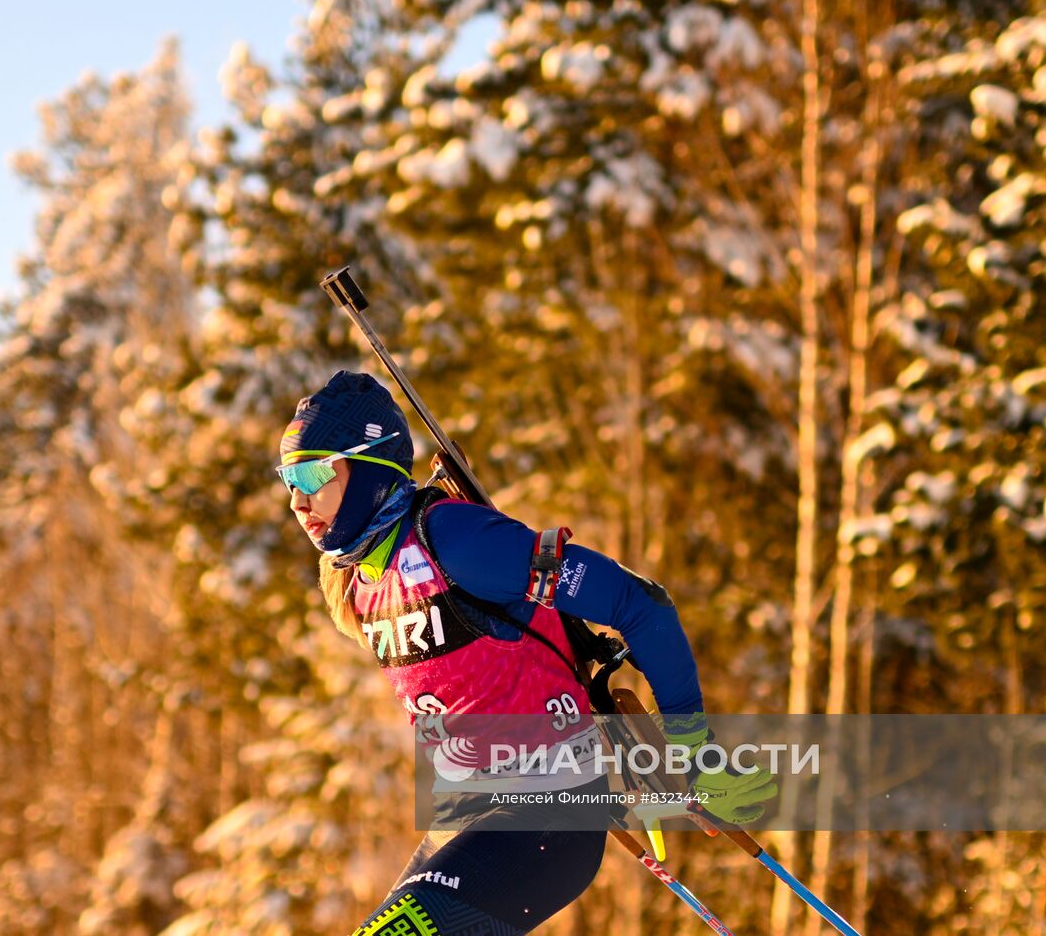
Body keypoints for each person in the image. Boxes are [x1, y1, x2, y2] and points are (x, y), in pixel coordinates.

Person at [277, 371, 772, 936]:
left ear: (369, 469)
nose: (297, 500)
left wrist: (691, 748)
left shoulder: (459, 541)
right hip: (461, 820)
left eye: (315, 474)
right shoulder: (352, 582)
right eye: (288, 478)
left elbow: (644, 606)